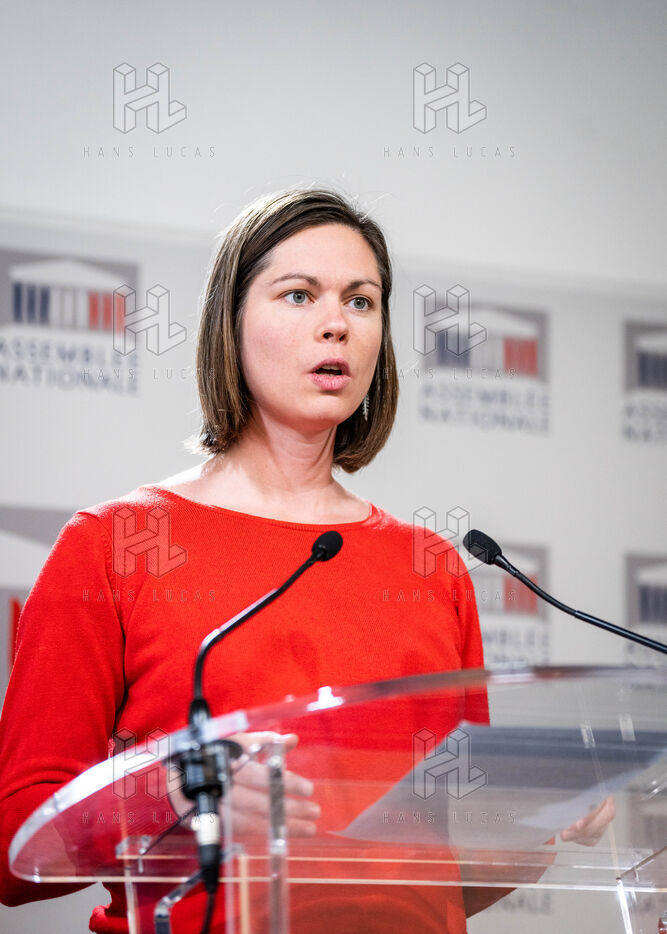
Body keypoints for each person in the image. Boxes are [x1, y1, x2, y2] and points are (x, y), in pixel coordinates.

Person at [0, 187, 613, 933]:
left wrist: (536, 823)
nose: (337, 324)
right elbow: (14, 843)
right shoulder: (114, 543)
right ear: (230, 324)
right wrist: (180, 794)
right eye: (299, 295)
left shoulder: (429, 565)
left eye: (361, 301)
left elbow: (446, 881)